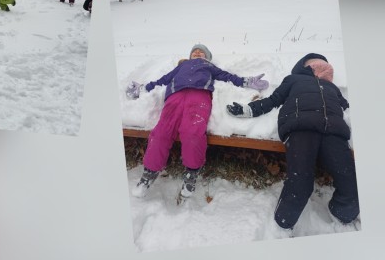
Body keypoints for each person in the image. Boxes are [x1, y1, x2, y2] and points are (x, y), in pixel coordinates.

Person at [227, 53, 359, 232]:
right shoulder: (294, 80)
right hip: (301, 127)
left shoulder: (332, 87)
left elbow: (348, 108)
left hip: (334, 132)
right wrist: (248, 109)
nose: (321, 66)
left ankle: (342, 213)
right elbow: (273, 100)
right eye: (316, 63)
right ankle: (283, 223)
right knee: (300, 181)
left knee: (351, 181)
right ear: (304, 67)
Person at [134, 44, 269, 201]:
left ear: (207, 57)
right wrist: (142, 88)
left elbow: (227, 76)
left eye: (201, 52)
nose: (197, 52)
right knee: (161, 132)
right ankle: (149, 173)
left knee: (193, 132)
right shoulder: (182, 66)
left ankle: (191, 173)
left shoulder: (208, 66)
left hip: (199, 97)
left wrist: (247, 81)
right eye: (194, 51)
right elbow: (164, 79)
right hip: (175, 97)